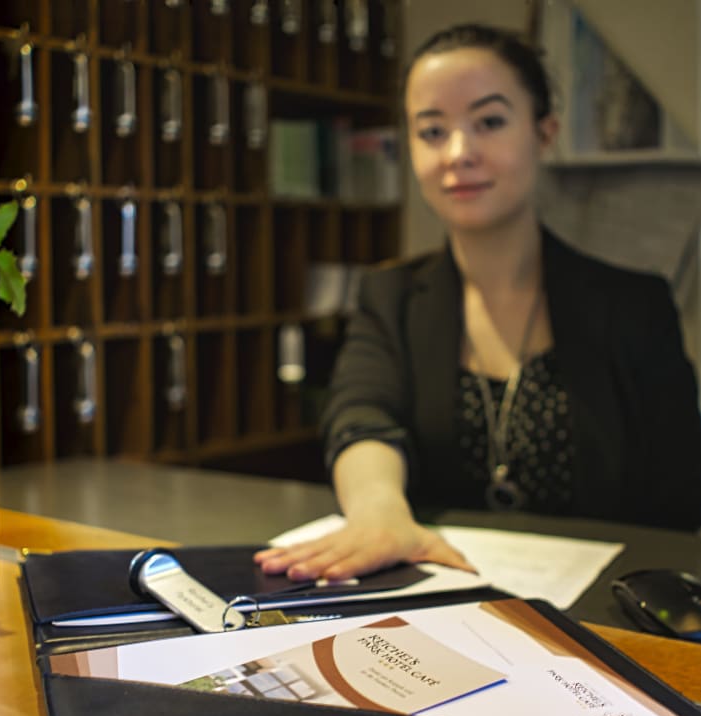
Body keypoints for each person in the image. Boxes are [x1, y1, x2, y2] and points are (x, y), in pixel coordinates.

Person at [255, 23, 701, 583]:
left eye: (489, 122)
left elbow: (679, 500)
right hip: (438, 596)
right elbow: (362, 416)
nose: (458, 153)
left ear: (544, 134)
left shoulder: (634, 307)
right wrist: (379, 515)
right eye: (432, 131)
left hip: (602, 614)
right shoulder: (390, 297)